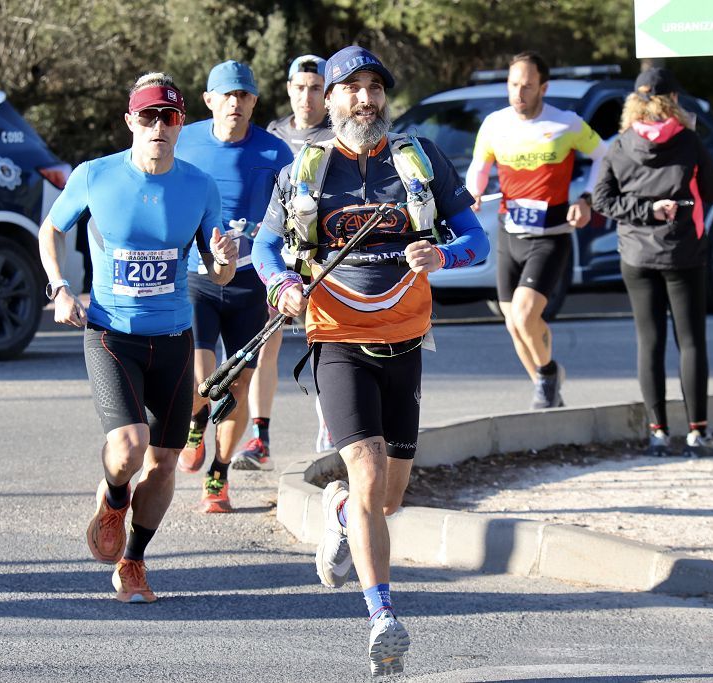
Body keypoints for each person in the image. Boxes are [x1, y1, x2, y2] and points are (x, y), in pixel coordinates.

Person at [252, 45, 488, 676]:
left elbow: (477, 239)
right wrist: (283, 285)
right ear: (329, 99)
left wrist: (444, 256)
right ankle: (383, 616)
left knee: (387, 497)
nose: (365, 99)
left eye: (375, 87)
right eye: (351, 88)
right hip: (337, 340)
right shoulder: (304, 171)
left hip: (406, 341)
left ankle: (337, 511)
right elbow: (266, 248)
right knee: (367, 469)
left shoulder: (418, 159)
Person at [36, 73, 237, 602]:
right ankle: (114, 498)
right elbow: (50, 230)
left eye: (169, 117)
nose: (158, 127)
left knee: (165, 462)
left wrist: (224, 261)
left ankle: (134, 561)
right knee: (129, 447)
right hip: (111, 334)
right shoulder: (95, 176)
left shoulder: (199, 186)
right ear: (130, 121)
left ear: (181, 124)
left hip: (173, 338)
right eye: (148, 117)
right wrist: (60, 287)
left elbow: (217, 273)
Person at [174, 60, 293, 508]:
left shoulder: (275, 152)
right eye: (226, 95)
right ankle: (194, 426)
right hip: (197, 276)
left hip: (249, 283)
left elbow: (295, 212)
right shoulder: (184, 141)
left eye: (243, 95)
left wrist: (285, 270)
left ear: (254, 102)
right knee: (200, 380)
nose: (234, 103)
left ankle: (219, 474)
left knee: (238, 387)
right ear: (209, 100)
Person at [591, 68, 713, 457]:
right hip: (684, 252)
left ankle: (658, 433)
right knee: (691, 342)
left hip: (635, 255)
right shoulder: (689, 140)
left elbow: (602, 199)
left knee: (649, 343)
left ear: (634, 101)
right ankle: (698, 433)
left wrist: (644, 210)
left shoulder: (620, 144)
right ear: (675, 100)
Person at [466, 50, 608, 410]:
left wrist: (587, 199)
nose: (519, 93)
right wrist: (473, 193)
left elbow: (603, 156)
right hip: (509, 234)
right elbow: (479, 166)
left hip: (551, 236)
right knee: (513, 323)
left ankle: (548, 372)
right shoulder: (494, 124)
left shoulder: (567, 124)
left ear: (543, 87)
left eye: (528, 86)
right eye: (513, 84)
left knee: (525, 314)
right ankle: (546, 388)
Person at [263, 53, 338, 457]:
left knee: (321, 337)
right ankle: (259, 434)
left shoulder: (338, 134)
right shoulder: (273, 135)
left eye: (315, 88)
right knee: (266, 340)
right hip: (279, 254)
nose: (306, 97)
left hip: (320, 254)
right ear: (289, 89)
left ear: (326, 94)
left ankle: (329, 421)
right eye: (300, 88)